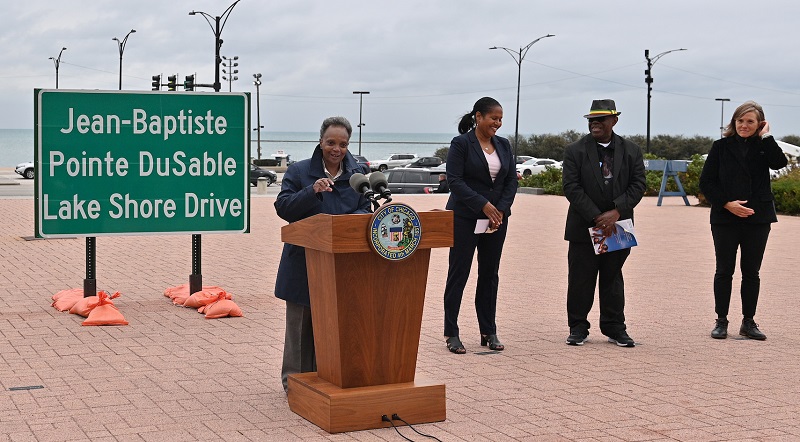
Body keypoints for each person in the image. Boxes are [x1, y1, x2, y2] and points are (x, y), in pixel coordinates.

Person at [274, 116, 371, 392]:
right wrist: (312, 190)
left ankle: (327, 381)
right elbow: (283, 207)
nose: (336, 149)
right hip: (304, 264)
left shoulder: (358, 174)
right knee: (300, 329)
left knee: (335, 329)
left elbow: (366, 207)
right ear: (320, 141)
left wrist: (349, 224)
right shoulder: (300, 171)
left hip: (344, 265)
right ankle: (294, 384)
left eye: (342, 144)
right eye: (331, 143)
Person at [699, 100, 787, 340]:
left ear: (760, 124)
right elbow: (706, 182)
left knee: (751, 272)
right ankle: (721, 321)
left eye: (750, 121)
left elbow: (780, 163)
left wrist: (767, 138)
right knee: (724, 270)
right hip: (725, 218)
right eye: (740, 121)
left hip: (757, 218)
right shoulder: (720, 147)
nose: (744, 125)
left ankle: (748, 322)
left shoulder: (764, 147)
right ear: (733, 122)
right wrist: (727, 204)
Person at [562, 99, 646, 347]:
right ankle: (577, 327)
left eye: (600, 119)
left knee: (613, 278)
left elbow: (638, 185)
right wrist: (598, 217)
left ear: (614, 121)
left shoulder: (632, 150)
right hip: (583, 226)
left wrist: (617, 212)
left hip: (618, 226)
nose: (594, 123)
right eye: (591, 120)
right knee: (580, 279)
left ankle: (615, 328)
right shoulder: (574, 150)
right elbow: (571, 187)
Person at [442, 97, 518, 354]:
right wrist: (483, 205)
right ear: (478, 116)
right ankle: (451, 332)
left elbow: (511, 182)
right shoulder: (461, 144)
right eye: (493, 118)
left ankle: (489, 330)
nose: (497, 123)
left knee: (489, 275)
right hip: (465, 217)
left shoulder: (504, 145)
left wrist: (500, 211)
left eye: (500, 119)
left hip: (496, 220)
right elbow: (455, 181)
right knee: (459, 273)